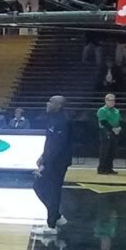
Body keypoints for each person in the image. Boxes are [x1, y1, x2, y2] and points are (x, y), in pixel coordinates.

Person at [32, 95, 72, 238]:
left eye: (51, 102)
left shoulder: (62, 121)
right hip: (51, 160)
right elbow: (49, 143)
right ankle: (57, 216)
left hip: (57, 162)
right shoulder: (52, 119)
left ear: (59, 105)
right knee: (42, 187)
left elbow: (57, 147)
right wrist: (42, 156)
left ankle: (51, 225)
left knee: (48, 189)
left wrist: (45, 164)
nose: (47, 103)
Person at [96, 92, 121, 175]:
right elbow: (103, 121)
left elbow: (120, 120)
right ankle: (101, 168)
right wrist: (113, 129)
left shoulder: (116, 110)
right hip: (105, 131)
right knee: (105, 151)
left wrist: (119, 128)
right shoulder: (102, 110)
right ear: (106, 101)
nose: (112, 102)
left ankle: (109, 168)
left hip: (115, 132)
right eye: (110, 100)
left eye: (113, 100)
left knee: (112, 151)